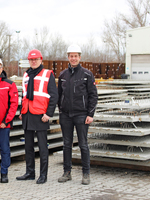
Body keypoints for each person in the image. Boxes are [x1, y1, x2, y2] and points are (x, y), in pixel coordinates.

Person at [57, 44, 98, 185]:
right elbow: (59, 95)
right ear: (68, 57)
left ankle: (86, 173)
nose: (73, 58)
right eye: (71, 56)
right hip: (66, 115)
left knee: (83, 144)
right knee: (66, 144)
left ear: (80, 57)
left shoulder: (87, 75)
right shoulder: (63, 75)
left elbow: (93, 95)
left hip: (82, 115)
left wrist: (90, 114)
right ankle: (66, 172)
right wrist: (61, 110)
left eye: (76, 56)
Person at [16, 49, 58, 184]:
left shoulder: (47, 74)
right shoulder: (26, 75)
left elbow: (54, 96)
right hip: (27, 114)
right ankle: (30, 173)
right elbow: (24, 96)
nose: (33, 61)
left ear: (41, 60)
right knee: (28, 146)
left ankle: (43, 175)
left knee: (42, 147)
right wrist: (22, 112)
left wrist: (49, 114)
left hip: (41, 115)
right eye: (31, 59)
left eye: (36, 59)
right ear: (29, 61)